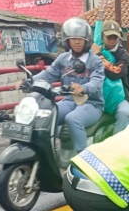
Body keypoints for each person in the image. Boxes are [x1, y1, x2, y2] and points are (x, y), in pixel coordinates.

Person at [18, 17, 105, 152]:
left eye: (80, 39)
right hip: (69, 101)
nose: (77, 42)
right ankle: (46, 153)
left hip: (91, 103)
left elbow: (96, 82)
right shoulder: (63, 59)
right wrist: (28, 82)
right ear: (67, 40)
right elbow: (48, 74)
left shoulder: (95, 61)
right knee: (47, 115)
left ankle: (81, 157)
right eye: (73, 38)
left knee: (73, 119)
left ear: (87, 40)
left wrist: (84, 88)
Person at [91, 20, 129, 136]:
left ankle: (118, 139)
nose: (112, 41)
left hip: (119, 97)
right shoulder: (93, 49)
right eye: (109, 37)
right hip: (96, 96)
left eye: (115, 38)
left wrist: (98, 56)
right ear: (102, 36)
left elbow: (116, 73)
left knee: (124, 112)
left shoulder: (123, 54)